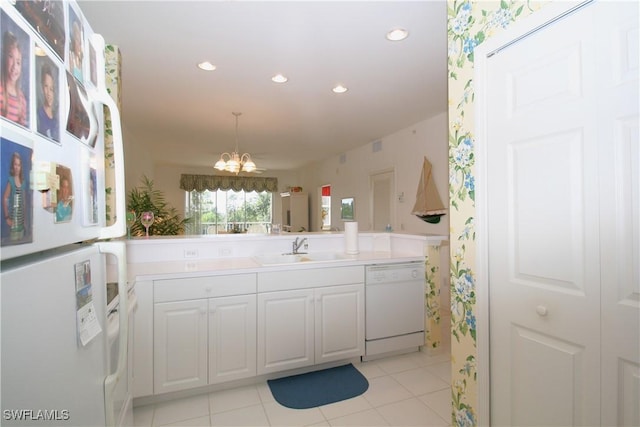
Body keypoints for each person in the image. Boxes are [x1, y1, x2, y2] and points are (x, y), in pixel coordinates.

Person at [1, 31, 27, 126]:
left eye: (18, 62)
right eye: (11, 57)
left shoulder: (22, 100)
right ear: (5, 58)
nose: (14, 67)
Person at [3, 152, 27, 240]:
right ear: (13, 166)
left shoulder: (23, 182)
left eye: (19, 165)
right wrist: (7, 218)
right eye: (15, 164)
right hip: (13, 223)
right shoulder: (11, 181)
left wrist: (24, 220)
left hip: (21, 224)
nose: (17, 167)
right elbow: (5, 198)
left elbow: (24, 202)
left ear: (21, 167)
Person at [37, 63, 59, 140]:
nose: (49, 93)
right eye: (46, 86)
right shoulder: (39, 115)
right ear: (42, 87)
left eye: (51, 89)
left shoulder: (56, 120)